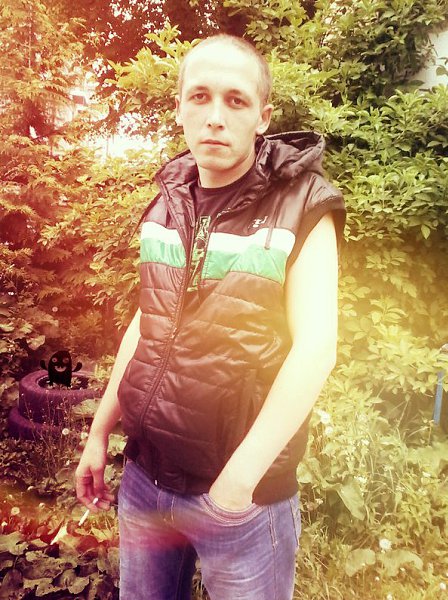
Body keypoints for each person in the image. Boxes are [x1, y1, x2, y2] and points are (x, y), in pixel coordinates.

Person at [75, 33, 345, 600]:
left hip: (242, 499)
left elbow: (317, 348)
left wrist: (236, 486)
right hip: (146, 480)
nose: (215, 117)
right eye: (199, 97)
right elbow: (147, 321)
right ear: (179, 108)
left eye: (236, 100)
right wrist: (100, 431)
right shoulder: (167, 201)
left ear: (262, 117)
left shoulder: (303, 205)